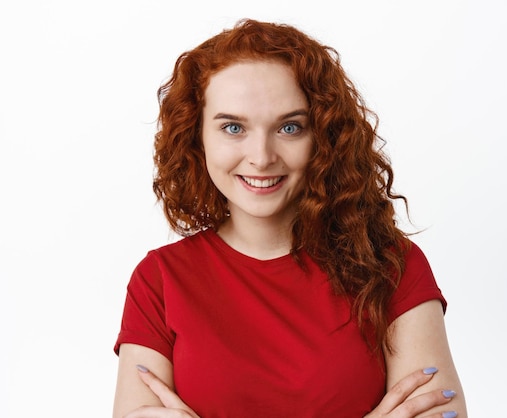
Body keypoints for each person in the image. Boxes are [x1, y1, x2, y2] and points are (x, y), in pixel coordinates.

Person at [113, 19, 467, 418]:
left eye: (289, 127)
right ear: (197, 137)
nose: (262, 157)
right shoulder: (159, 281)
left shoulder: (394, 266)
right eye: (233, 127)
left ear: (324, 136)